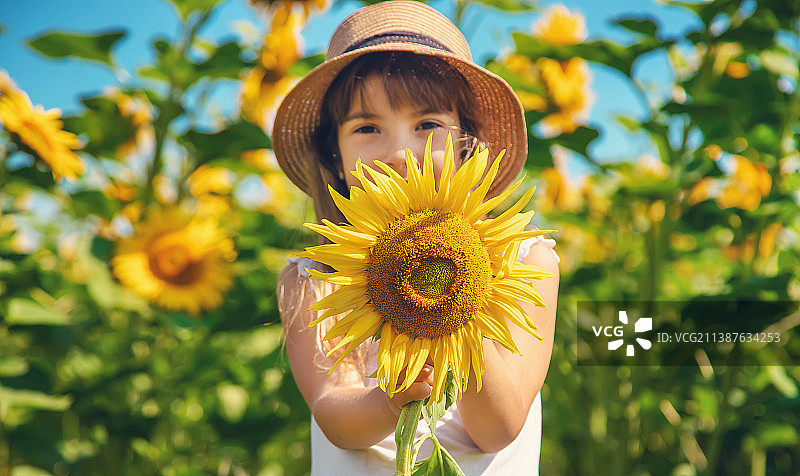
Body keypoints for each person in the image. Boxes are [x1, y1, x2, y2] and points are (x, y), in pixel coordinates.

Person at [272, 1, 559, 474]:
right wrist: (388, 402)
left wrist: (465, 290)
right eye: (367, 128)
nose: (401, 152)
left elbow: (499, 428)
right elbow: (333, 414)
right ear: (336, 155)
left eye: (427, 125)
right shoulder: (316, 277)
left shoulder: (524, 260)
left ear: (466, 141)